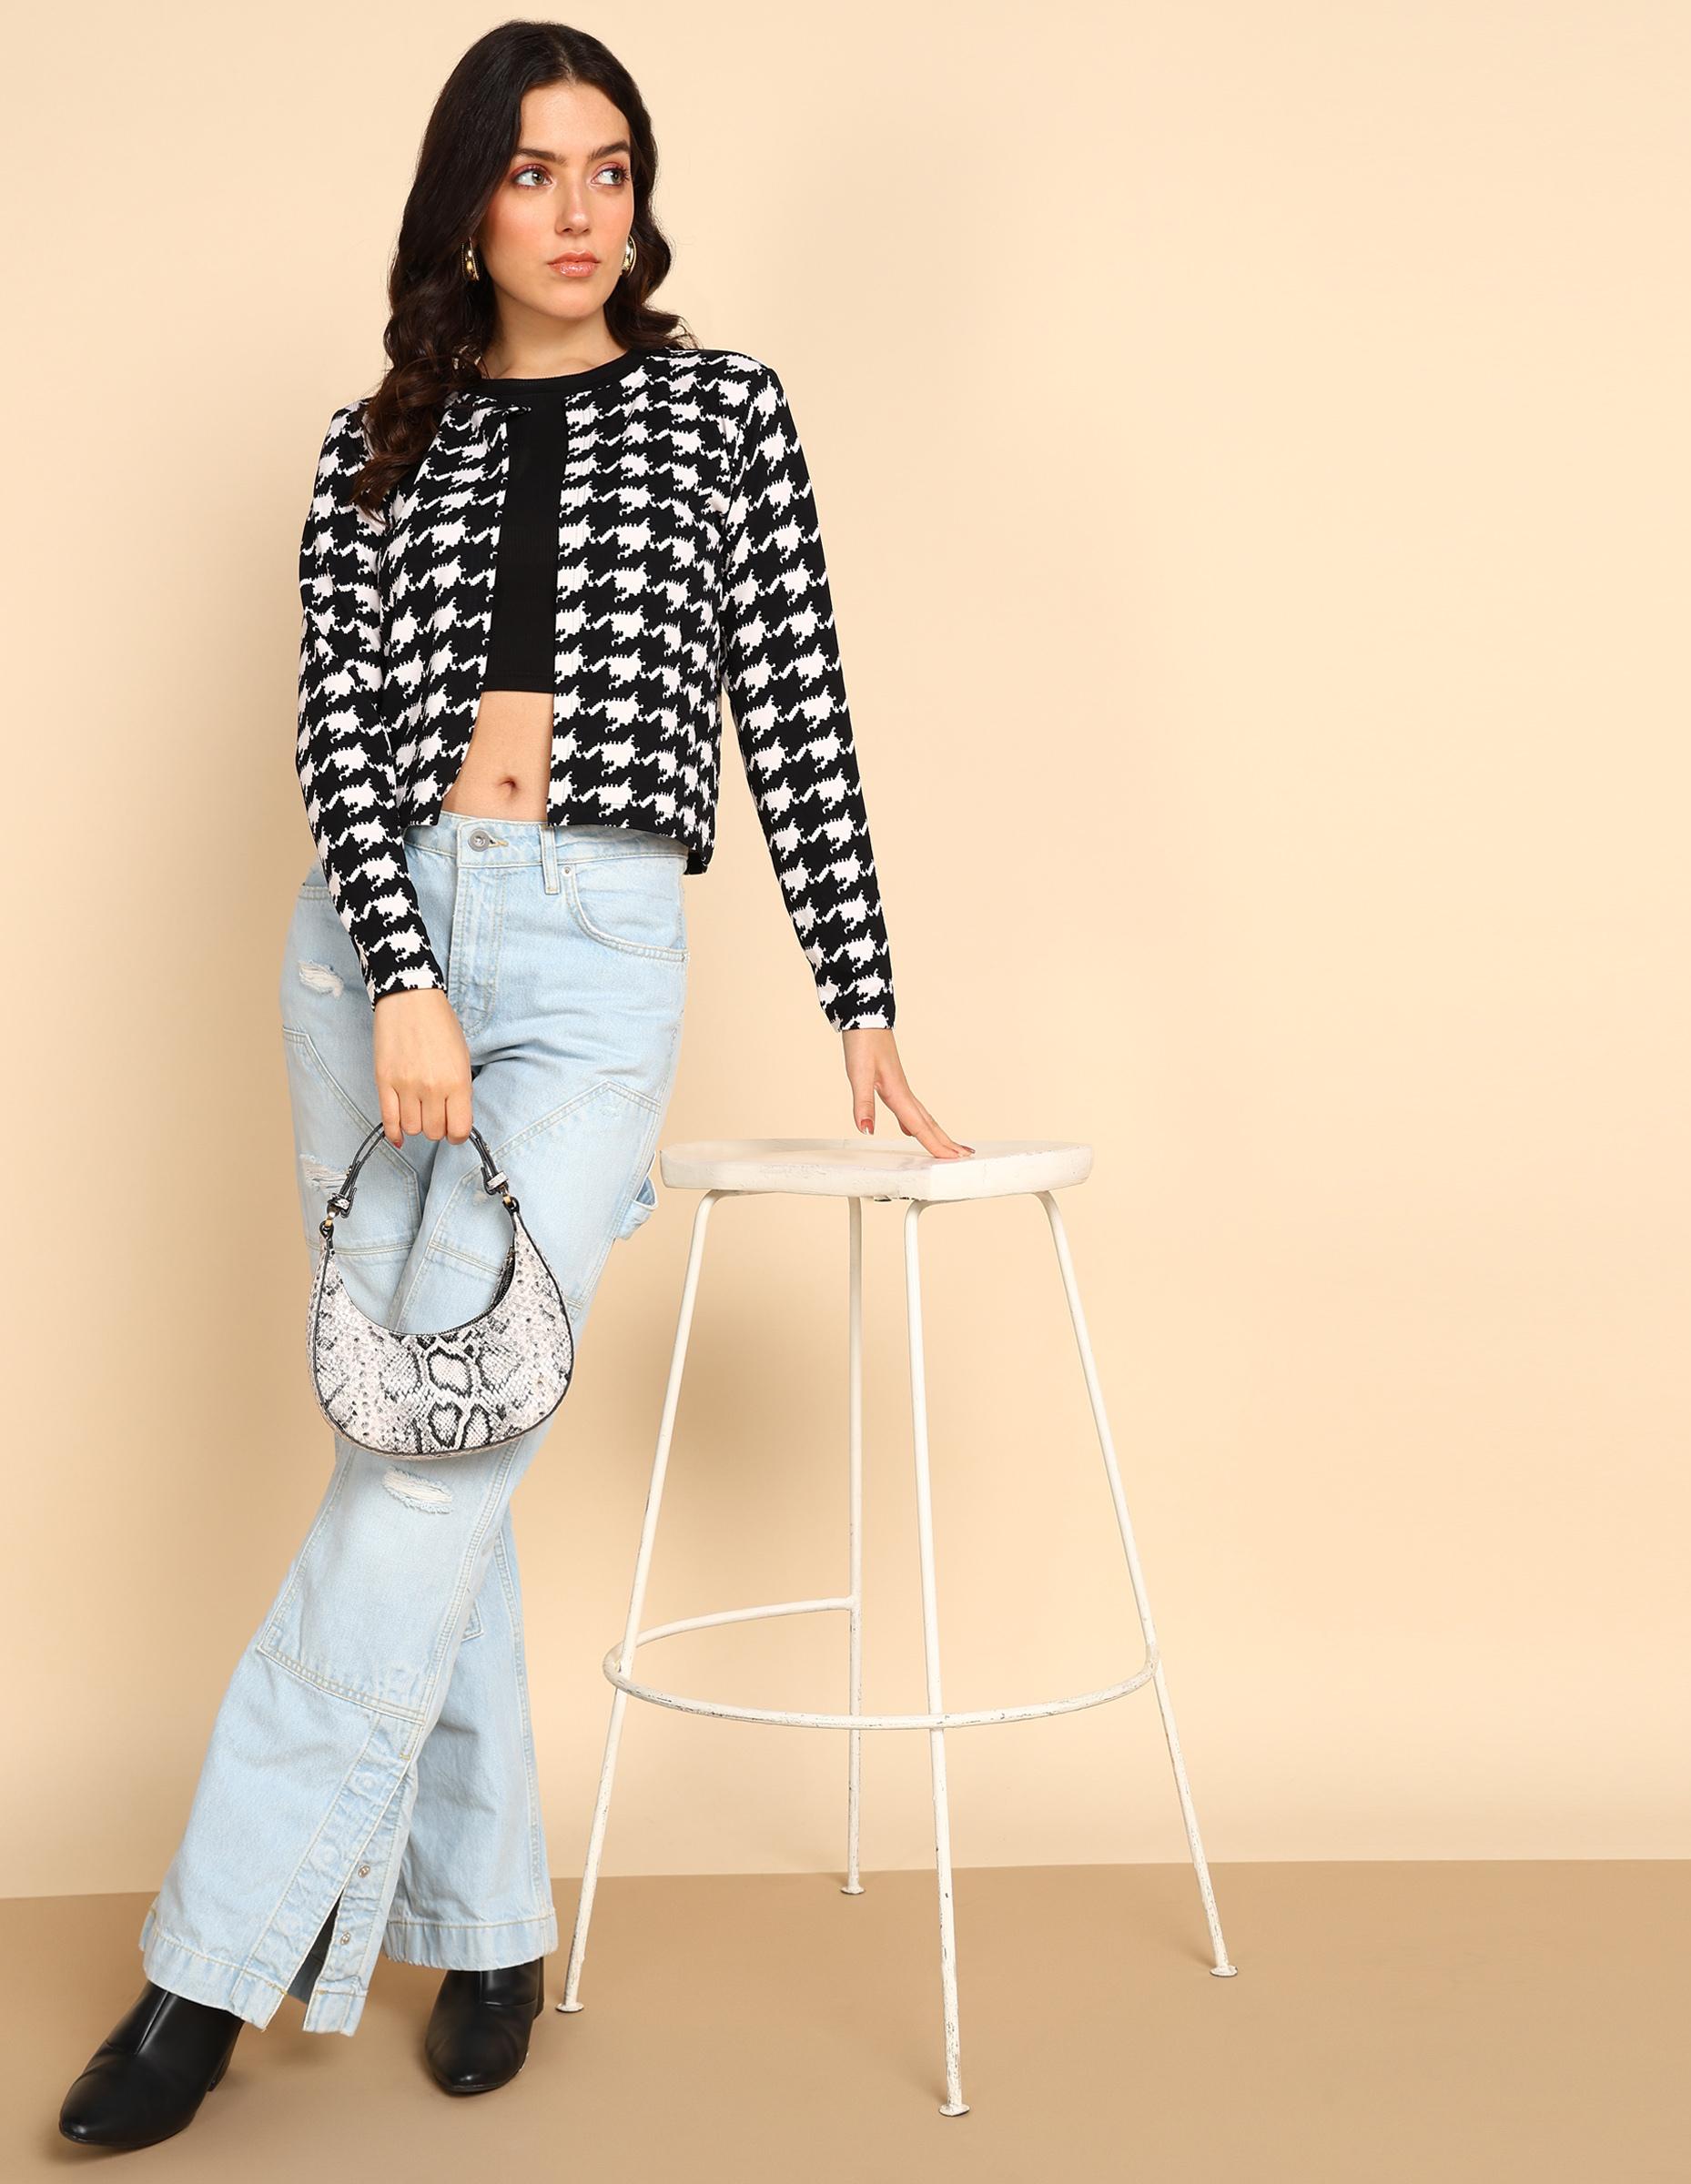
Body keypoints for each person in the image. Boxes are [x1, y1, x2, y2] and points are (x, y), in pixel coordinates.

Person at [58, 21, 967, 2151]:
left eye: (611, 168)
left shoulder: (724, 412)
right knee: (417, 1426)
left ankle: (201, 1974)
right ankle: (481, 1929)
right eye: (535, 170)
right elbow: (334, 723)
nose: (579, 212)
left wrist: (860, 995)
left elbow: (796, 702)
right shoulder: (369, 442)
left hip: (588, 951)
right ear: (465, 198)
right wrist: (400, 976)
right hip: (373, 945)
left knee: (436, 1447)